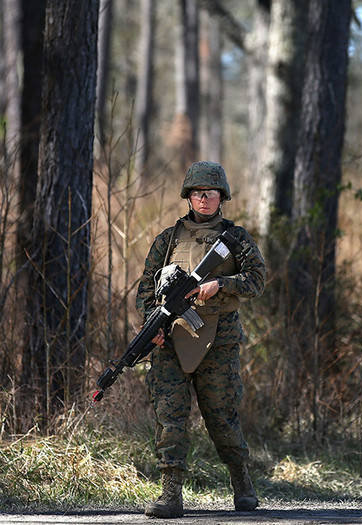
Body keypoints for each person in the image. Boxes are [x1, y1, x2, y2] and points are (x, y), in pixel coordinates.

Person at [136, 161, 266, 518]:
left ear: (221, 197)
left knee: (222, 417)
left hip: (219, 341)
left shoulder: (236, 239)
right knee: (170, 417)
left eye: (210, 193)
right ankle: (171, 495)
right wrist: (154, 327)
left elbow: (257, 279)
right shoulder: (167, 240)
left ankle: (242, 483)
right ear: (188, 197)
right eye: (197, 193)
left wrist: (220, 285)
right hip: (172, 341)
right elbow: (145, 288)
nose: (203, 199)